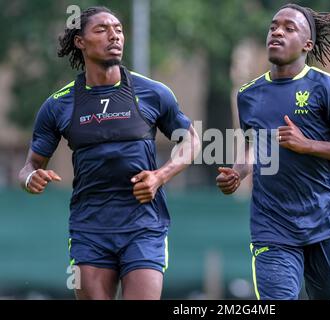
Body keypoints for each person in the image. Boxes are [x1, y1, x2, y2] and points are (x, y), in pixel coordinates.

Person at [18, 6, 200, 300]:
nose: (114, 35)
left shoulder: (153, 92)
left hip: (144, 225)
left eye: (118, 28)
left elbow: (191, 141)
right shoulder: (58, 105)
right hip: (90, 229)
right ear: (80, 41)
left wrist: (160, 176)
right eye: (102, 30)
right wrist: (30, 179)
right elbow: (29, 166)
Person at [216, 4, 330, 300]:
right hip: (272, 227)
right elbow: (255, 146)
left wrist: (308, 145)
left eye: (289, 28)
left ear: (307, 44)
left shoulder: (328, 88)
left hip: (325, 224)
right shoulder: (248, 95)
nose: (277, 31)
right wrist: (238, 172)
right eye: (273, 26)